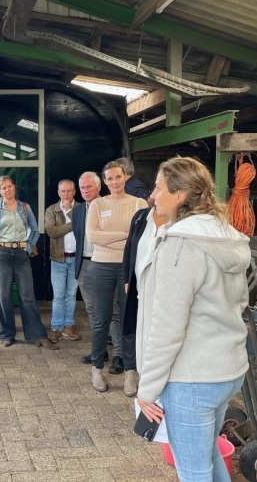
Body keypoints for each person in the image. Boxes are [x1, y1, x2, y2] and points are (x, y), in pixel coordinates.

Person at [137, 156, 250, 482]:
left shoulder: (181, 244)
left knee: (194, 471)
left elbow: (168, 326)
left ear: (181, 194)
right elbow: (240, 302)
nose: (153, 196)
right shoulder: (224, 234)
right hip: (225, 369)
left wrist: (148, 388)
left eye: (159, 189)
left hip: (192, 377)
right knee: (209, 456)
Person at [86, 160, 148, 392]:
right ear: (104, 181)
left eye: (118, 177)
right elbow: (93, 237)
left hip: (129, 267)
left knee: (128, 320)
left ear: (125, 177)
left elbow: (140, 237)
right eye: (109, 178)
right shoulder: (97, 205)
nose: (114, 182)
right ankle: (96, 370)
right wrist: (125, 235)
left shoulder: (139, 203)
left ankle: (130, 372)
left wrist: (110, 237)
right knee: (101, 321)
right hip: (100, 266)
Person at [0, 176, 58, 350]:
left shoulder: (25, 207)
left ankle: (37, 335)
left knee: (27, 296)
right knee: (3, 295)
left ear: (14, 187)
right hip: (3, 254)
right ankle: (7, 335)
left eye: (10, 186)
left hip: (22, 254)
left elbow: (35, 230)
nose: (8, 190)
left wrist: (29, 247)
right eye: (3, 188)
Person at [120, 203, 167, 397]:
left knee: (156, 331)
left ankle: (152, 376)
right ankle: (131, 372)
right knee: (132, 327)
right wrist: (126, 278)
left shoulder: (179, 221)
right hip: (137, 284)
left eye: (159, 188)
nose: (154, 194)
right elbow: (129, 247)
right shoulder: (141, 217)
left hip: (162, 288)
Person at [73, 172, 107, 366]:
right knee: (92, 309)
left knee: (111, 309)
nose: (85, 191)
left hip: (105, 264)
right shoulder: (78, 211)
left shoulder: (108, 207)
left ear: (99, 187)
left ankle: (118, 354)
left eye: (89, 187)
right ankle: (99, 351)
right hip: (84, 264)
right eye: (83, 188)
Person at [45, 179, 81, 343]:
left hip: (76, 258)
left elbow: (84, 227)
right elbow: (52, 232)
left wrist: (70, 213)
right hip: (58, 259)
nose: (65, 194)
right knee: (58, 295)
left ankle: (68, 326)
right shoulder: (52, 210)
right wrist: (73, 223)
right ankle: (56, 327)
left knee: (71, 294)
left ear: (74, 192)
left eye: (68, 191)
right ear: (58, 193)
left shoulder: (81, 208)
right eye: (62, 191)